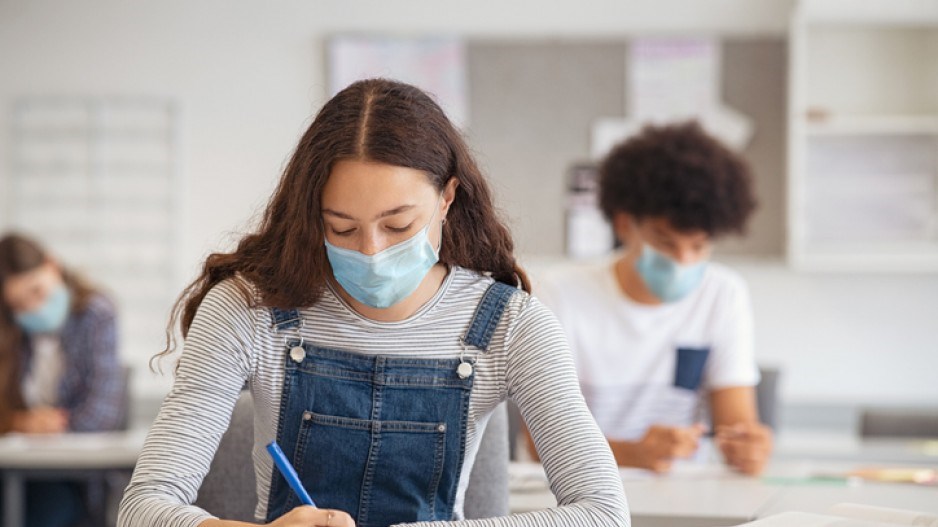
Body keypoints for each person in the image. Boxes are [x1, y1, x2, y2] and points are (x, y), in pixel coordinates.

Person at [117, 78, 629, 527]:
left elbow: (603, 511)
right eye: (341, 227)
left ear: (447, 198)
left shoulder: (512, 326)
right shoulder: (247, 310)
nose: (371, 251)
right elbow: (144, 507)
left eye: (398, 226)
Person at [535, 122, 772, 475]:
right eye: (665, 242)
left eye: (698, 246)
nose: (683, 261)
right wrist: (633, 453)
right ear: (624, 224)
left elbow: (735, 427)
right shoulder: (558, 294)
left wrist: (748, 448)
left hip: (683, 500)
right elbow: (538, 443)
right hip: (579, 495)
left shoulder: (723, 295)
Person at [0, 232, 126, 527]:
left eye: (37, 291)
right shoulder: (11, 332)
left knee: (40, 511)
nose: (31, 308)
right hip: (15, 471)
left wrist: (57, 425)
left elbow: (102, 415)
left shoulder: (97, 314)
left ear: (52, 266)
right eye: (18, 304)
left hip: (72, 478)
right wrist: (21, 423)